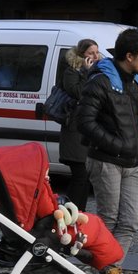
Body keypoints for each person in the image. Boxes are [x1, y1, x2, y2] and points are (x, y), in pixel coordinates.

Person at [76, 27, 138, 274]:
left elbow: (135, 122)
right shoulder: (100, 81)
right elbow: (84, 122)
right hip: (106, 160)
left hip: (131, 162)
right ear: (129, 56)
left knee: (130, 221)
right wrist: (117, 144)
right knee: (108, 220)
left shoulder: (135, 81)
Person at [57, 38, 99, 209]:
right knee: (80, 175)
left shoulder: (97, 71)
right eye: (91, 53)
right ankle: (71, 211)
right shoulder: (72, 71)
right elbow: (80, 92)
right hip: (74, 130)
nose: (96, 56)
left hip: (87, 129)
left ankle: (79, 212)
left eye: (97, 52)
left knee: (84, 177)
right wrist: (87, 73)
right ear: (82, 54)